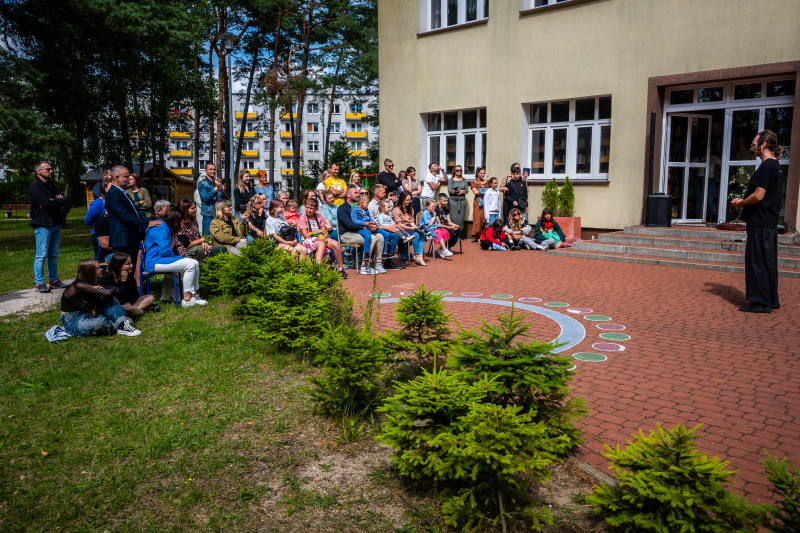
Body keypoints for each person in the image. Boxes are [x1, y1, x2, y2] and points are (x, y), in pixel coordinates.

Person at [731, 130, 782, 313]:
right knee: (767, 260)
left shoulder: (767, 166)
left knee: (757, 261)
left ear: (763, 145)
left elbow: (759, 195)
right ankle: (770, 299)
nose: (752, 147)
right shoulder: (774, 165)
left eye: (754, 144)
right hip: (767, 221)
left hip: (761, 221)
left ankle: (761, 302)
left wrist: (742, 203)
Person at [60, 258, 142, 337]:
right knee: (99, 323)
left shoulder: (91, 284)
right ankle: (118, 325)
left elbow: (114, 292)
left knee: (105, 297)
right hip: (73, 321)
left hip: (87, 315)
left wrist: (103, 289)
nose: (102, 269)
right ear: (90, 270)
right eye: (99, 267)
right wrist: (105, 289)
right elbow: (110, 292)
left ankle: (122, 323)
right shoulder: (78, 285)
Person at [104, 165, 161, 278]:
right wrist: (146, 223)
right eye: (126, 177)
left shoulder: (123, 192)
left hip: (130, 237)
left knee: (131, 271)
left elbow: (134, 213)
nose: (129, 179)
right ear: (116, 177)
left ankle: (132, 295)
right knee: (124, 273)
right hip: (123, 240)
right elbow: (125, 215)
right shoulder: (113, 194)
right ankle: (123, 294)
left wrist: (147, 220)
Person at [143, 207, 206, 308]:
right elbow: (164, 251)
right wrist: (172, 245)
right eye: (179, 220)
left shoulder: (163, 225)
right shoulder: (160, 226)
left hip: (162, 258)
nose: (180, 223)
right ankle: (187, 299)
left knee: (194, 262)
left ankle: (194, 295)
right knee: (190, 265)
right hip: (155, 261)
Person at [29, 160, 68, 293]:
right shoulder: (35, 187)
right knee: (41, 254)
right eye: (48, 169)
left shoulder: (51, 186)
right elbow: (45, 202)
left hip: (55, 224)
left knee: (53, 254)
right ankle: (39, 284)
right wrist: (51, 201)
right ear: (38, 171)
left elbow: (64, 200)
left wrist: (52, 201)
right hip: (42, 225)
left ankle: (54, 281)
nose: (51, 171)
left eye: (51, 169)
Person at [339, 186, 385, 274]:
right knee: (372, 238)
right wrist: (365, 227)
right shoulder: (342, 208)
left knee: (380, 236)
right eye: (355, 193)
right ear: (348, 195)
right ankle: (365, 266)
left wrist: (372, 225)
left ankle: (378, 263)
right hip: (347, 235)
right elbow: (349, 225)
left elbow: (367, 218)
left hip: (358, 232)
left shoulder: (361, 207)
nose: (358, 194)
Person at [298, 197, 347, 278]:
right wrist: (319, 232)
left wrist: (325, 236)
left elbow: (325, 231)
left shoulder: (319, 216)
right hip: (309, 240)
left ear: (316, 209)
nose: (309, 210)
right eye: (307, 208)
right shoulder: (303, 218)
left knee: (336, 244)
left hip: (320, 237)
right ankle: (318, 270)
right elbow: (306, 235)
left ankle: (341, 269)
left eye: (311, 208)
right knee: (321, 244)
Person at [99, 252, 158, 317]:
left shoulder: (129, 274)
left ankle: (132, 311)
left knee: (151, 297)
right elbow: (120, 300)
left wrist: (130, 302)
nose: (132, 265)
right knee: (126, 307)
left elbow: (135, 294)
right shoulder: (106, 278)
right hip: (116, 305)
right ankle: (142, 311)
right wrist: (123, 281)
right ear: (118, 266)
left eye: (131, 263)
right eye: (128, 264)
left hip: (129, 304)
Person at [176, 198, 227, 263]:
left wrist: (203, 243)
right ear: (185, 210)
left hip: (197, 248)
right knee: (222, 249)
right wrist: (201, 240)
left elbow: (198, 237)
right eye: (192, 208)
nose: (195, 209)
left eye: (195, 207)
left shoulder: (193, 221)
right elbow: (187, 245)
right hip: (187, 252)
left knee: (219, 249)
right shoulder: (179, 225)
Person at [366, 186, 400, 270]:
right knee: (392, 235)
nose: (385, 194)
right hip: (375, 230)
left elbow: (389, 217)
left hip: (385, 227)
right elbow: (373, 224)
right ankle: (385, 258)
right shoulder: (370, 206)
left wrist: (393, 225)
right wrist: (388, 227)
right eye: (383, 193)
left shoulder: (384, 203)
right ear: (377, 194)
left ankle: (389, 260)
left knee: (398, 234)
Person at [378, 200, 415, 269]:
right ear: (383, 208)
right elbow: (381, 224)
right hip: (385, 230)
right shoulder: (381, 216)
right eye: (388, 207)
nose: (390, 208)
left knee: (399, 228)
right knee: (397, 234)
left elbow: (393, 221)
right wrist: (391, 226)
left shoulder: (388, 215)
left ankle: (407, 236)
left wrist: (395, 225)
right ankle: (389, 260)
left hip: (391, 227)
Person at [393, 191, 426, 266]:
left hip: (409, 226)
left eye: (410, 200)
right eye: (407, 200)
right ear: (402, 199)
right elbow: (399, 224)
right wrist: (411, 228)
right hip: (402, 227)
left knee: (422, 233)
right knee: (416, 235)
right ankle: (416, 254)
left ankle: (419, 255)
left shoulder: (410, 208)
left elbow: (411, 221)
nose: (408, 202)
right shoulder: (396, 209)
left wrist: (416, 227)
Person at [197, 162, 228, 235]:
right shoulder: (202, 184)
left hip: (220, 214)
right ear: (205, 170)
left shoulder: (218, 183)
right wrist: (216, 188)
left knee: (221, 237)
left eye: (214, 169)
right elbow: (205, 199)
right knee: (207, 238)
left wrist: (223, 193)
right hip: (209, 215)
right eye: (210, 169)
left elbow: (225, 201)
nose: (213, 171)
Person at [86, 178, 109, 257]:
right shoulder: (97, 203)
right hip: (98, 234)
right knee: (100, 258)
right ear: (105, 189)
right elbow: (88, 219)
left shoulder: (110, 201)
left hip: (109, 233)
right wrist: (94, 226)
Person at [470, 166, 489, 241]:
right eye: (481, 173)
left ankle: (485, 236)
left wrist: (481, 191)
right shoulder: (474, 183)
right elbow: (476, 192)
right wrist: (486, 191)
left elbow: (491, 191)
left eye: (484, 173)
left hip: (486, 202)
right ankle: (480, 237)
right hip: (478, 203)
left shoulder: (488, 182)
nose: (483, 175)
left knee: (485, 218)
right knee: (478, 219)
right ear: (477, 173)